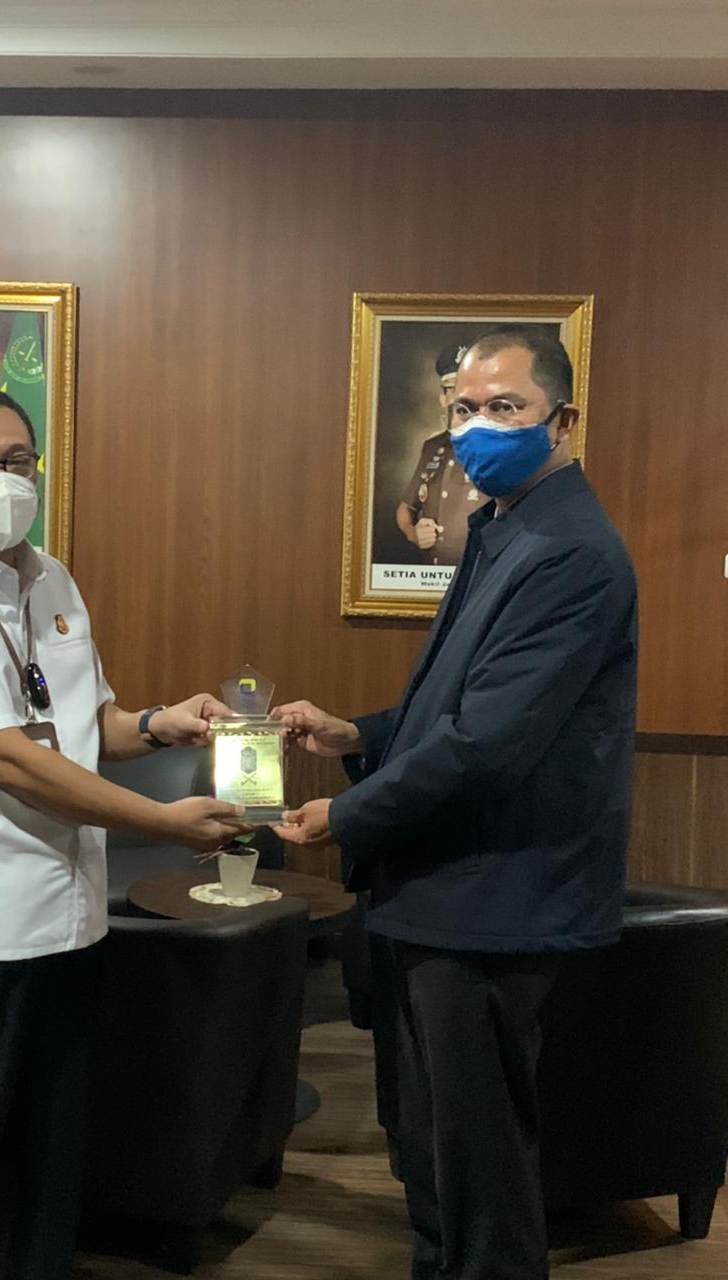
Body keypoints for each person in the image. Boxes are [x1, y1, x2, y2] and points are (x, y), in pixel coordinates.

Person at [0, 384, 250, 1280]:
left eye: (15, 461)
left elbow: (82, 721)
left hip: (66, 925)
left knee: (42, 1173)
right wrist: (162, 821)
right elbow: (4, 758)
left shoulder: (52, 578)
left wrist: (159, 724)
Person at [273, 326, 637, 1280]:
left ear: (563, 419)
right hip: (444, 889)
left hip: (492, 898)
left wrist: (344, 816)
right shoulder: (504, 527)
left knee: (479, 1168)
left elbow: (486, 745)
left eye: (505, 408)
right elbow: (451, 706)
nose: (479, 427)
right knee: (433, 1148)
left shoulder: (567, 551)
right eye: (465, 408)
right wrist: (354, 734)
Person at [396, 341, 486, 565]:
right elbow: (405, 509)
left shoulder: (497, 446)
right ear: (443, 398)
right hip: (433, 572)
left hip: (477, 571)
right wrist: (413, 532)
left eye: (468, 388)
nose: (460, 397)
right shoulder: (432, 447)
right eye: (453, 389)